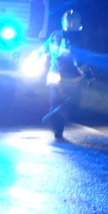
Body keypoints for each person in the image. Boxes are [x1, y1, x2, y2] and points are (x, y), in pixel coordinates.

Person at [39, 9, 92, 140]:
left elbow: (43, 50)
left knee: (55, 103)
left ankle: (58, 133)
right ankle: (51, 117)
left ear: (63, 22)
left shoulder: (54, 35)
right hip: (69, 77)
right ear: (78, 23)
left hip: (53, 74)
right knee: (72, 104)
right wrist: (88, 75)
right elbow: (80, 61)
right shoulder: (78, 38)